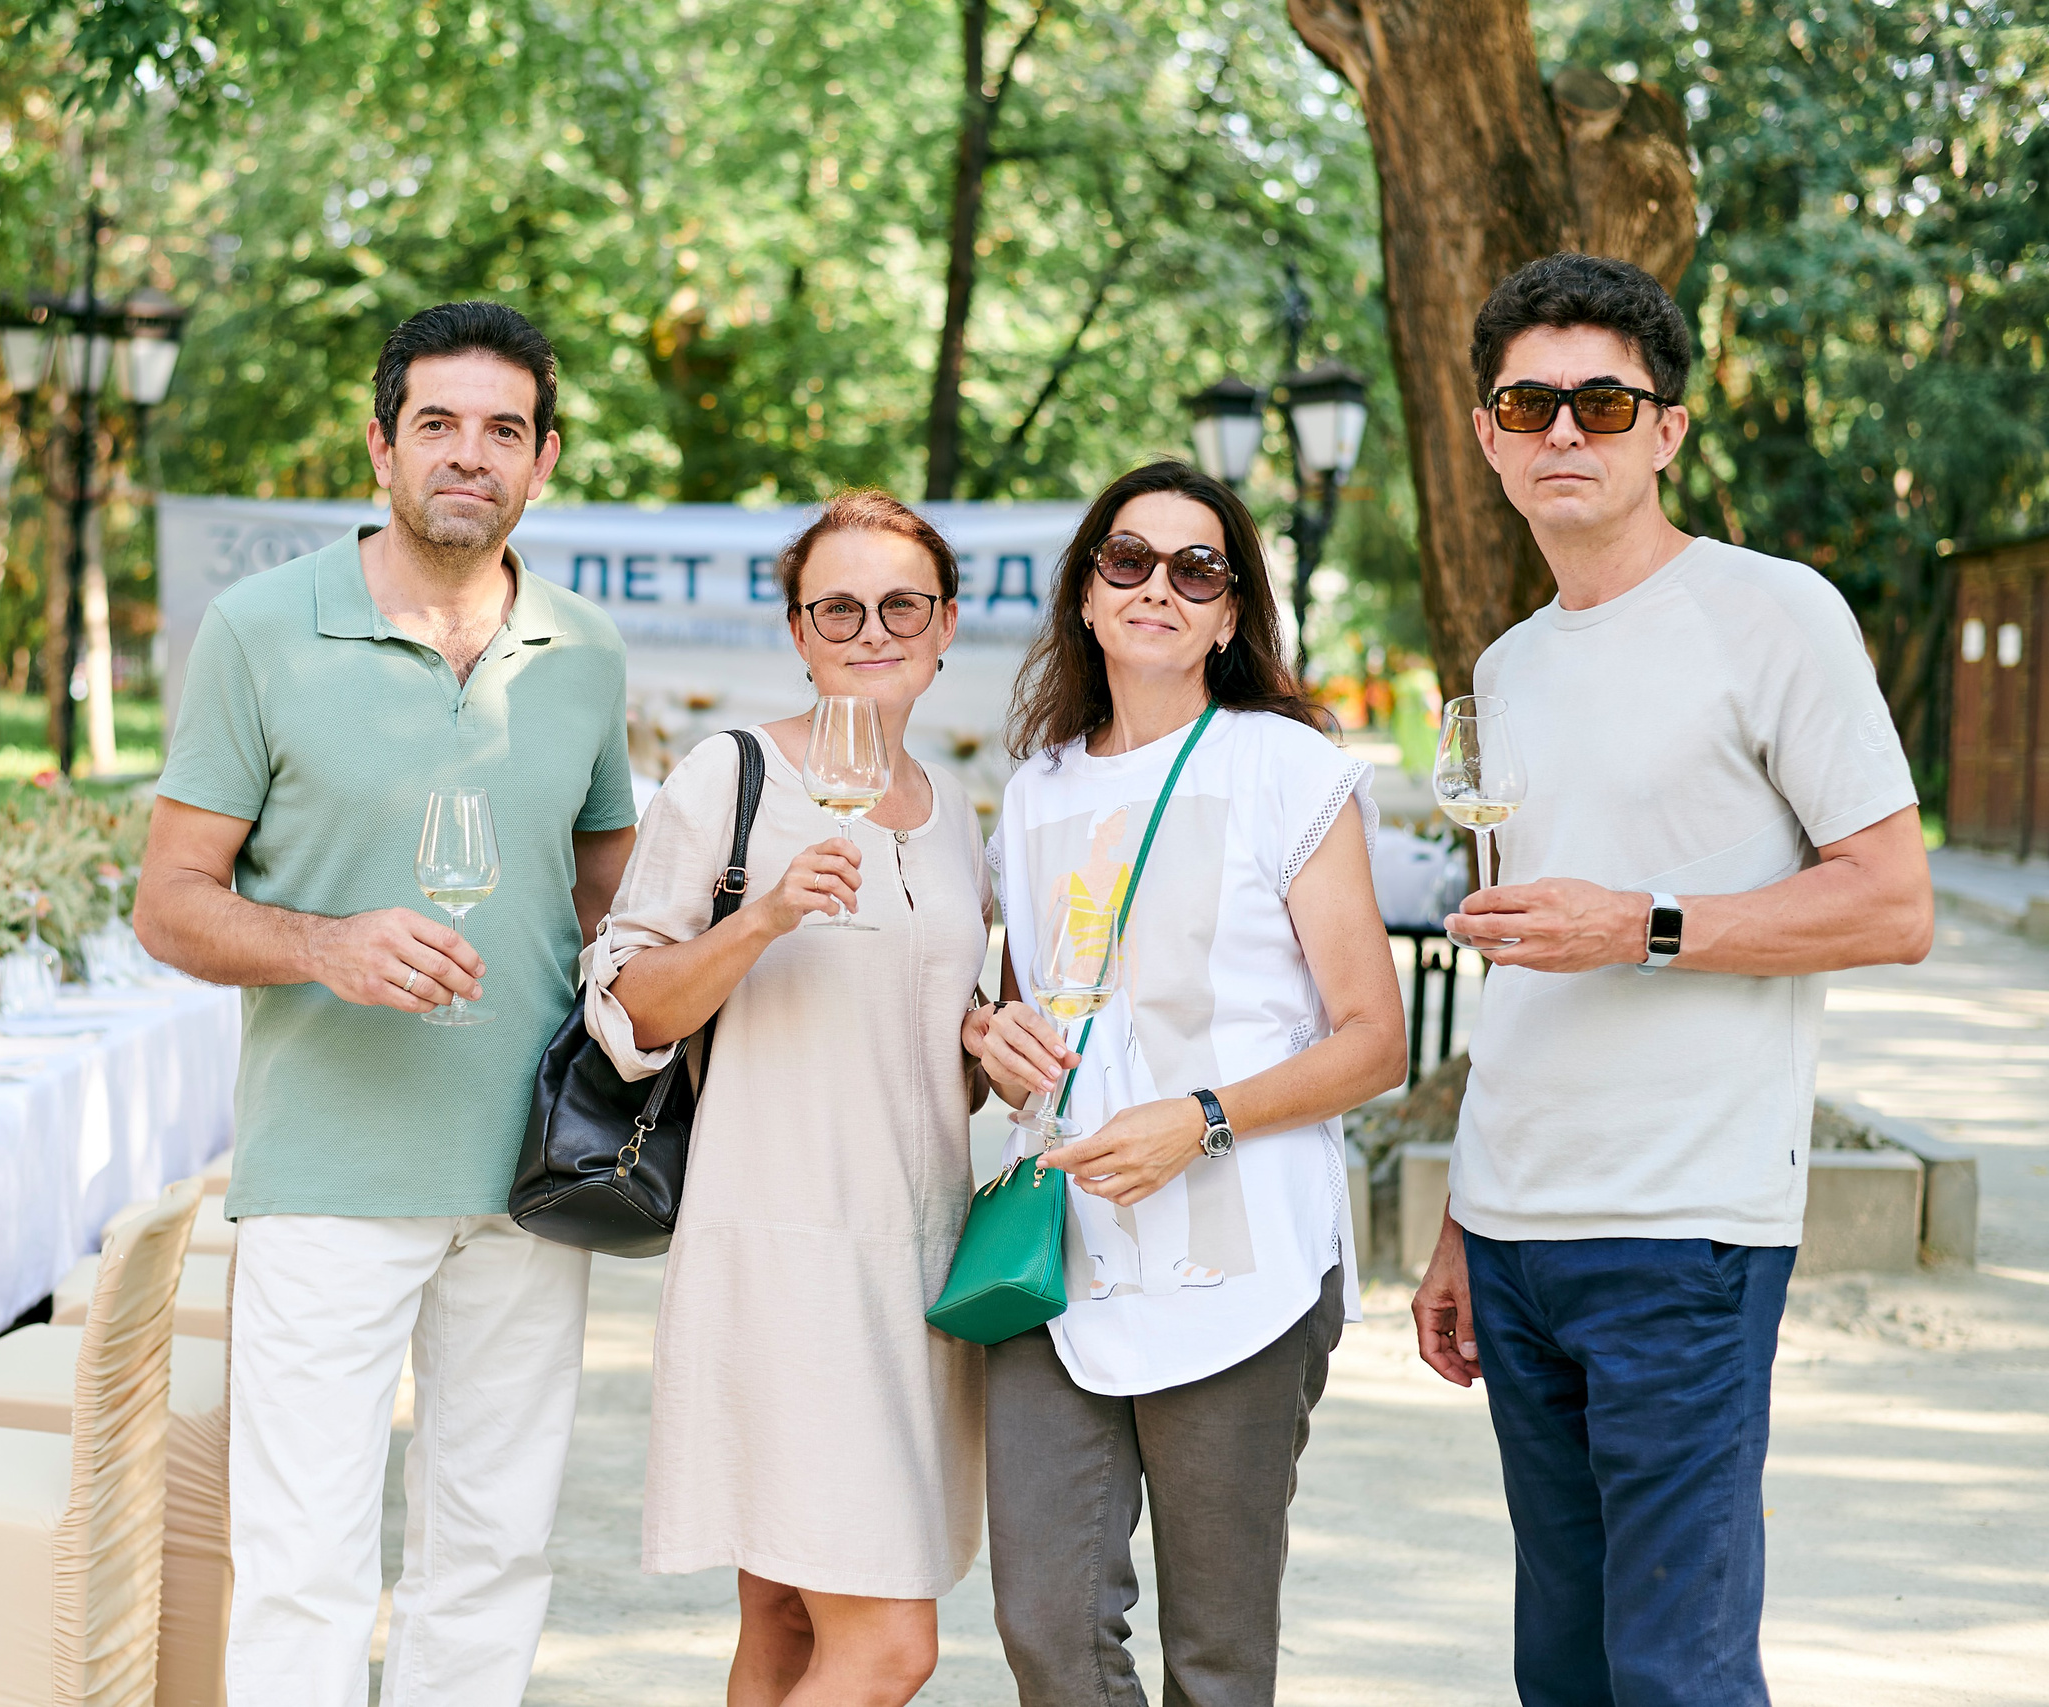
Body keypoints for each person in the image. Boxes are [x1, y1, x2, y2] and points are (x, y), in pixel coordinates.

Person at [1416, 253, 1933, 1707]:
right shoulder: (1507, 666)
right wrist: (1463, 1210)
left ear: (1669, 429)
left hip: (1683, 1228)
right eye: (1531, 402)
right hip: (1516, 1233)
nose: (1564, 431)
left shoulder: (1775, 615)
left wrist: (1640, 924)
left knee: (1677, 1674)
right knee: (1563, 1669)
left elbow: (1893, 903)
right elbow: (1525, 961)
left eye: (1602, 399)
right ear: (1488, 434)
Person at [132, 301, 638, 1707]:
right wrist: (325, 943)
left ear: (542, 460)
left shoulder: (586, 652)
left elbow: (613, 908)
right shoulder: (259, 629)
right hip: (331, 1176)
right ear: (380, 447)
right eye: (437, 425)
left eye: (501, 430)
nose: (467, 455)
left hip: (538, 1176)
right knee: (303, 1563)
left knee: (493, 1552)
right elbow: (170, 898)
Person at [968, 460, 1406, 1707]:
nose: (1158, 585)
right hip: (1058, 1252)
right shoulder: (1038, 785)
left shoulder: (1283, 768)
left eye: (1196, 568)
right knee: (1046, 1627)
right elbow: (1021, 1007)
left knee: (1214, 1660)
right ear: (1087, 594)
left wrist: (1201, 1122)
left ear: (1228, 613)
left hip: (1244, 1259)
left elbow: (1375, 1040)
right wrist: (987, 1032)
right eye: (1128, 560)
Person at [585, 491, 990, 1707]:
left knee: (784, 1630)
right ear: (800, 635)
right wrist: (761, 917)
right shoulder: (733, 774)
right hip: (784, 1253)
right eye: (838, 608)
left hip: (919, 1260)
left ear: (945, 625)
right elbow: (631, 1010)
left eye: (900, 603)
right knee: (888, 1647)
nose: (872, 629)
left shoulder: (958, 809)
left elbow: (927, 1057)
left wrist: (989, 1044)